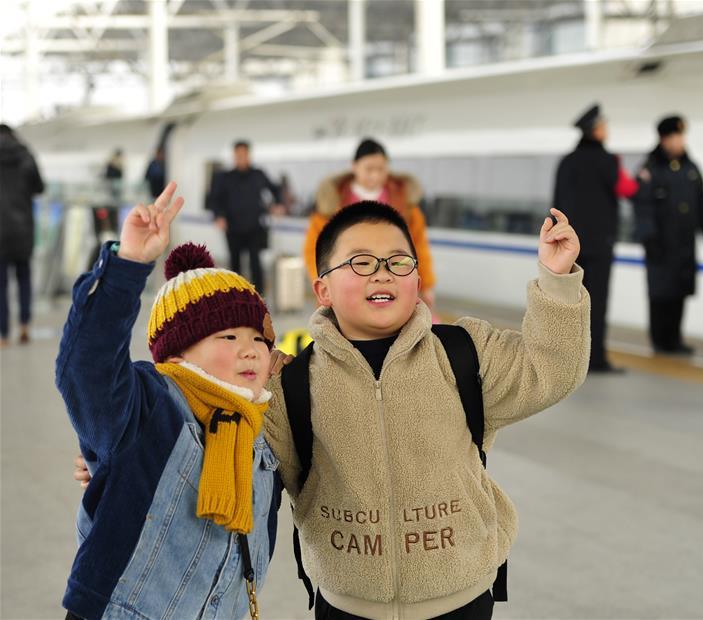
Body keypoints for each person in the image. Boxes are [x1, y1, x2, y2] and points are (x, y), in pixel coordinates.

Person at [264, 201, 590, 618]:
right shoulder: (293, 384)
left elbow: (550, 369)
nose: (382, 272)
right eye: (361, 262)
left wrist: (557, 281)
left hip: (462, 602)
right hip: (345, 607)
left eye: (398, 261)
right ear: (322, 289)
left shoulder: (464, 353)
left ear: (417, 280)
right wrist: (246, 373)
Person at [55, 182, 281, 620]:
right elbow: (88, 368)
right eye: (228, 337)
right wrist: (127, 265)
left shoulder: (262, 430)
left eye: (258, 338)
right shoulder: (148, 408)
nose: (251, 350)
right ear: (177, 355)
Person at [303, 138, 437, 309]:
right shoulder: (331, 203)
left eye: (381, 169)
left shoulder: (405, 204)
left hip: (393, 285)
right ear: (354, 167)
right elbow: (313, 248)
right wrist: (325, 279)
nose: (375, 175)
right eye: (369, 169)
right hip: (346, 287)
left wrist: (426, 285)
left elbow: (419, 246)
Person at [553, 102, 634, 373]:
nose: (606, 129)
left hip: (569, 246)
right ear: (596, 130)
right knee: (595, 303)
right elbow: (627, 189)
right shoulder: (608, 160)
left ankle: (564, 358)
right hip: (600, 245)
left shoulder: (566, 162)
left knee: (567, 300)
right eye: (604, 126)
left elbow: (556, 203)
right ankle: (595, 359)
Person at [634, 115, 703, 354]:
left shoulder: (691, 168)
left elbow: (702, 204)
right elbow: (643, 206)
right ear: (664, 139)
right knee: (660, 293)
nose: (680, 141)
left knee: (679, 291)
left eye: (681, 136)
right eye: (675, 137)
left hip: (684, 243)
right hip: (661, 244)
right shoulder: (650, 169)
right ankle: (660, 341)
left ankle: (675, 339)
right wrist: (648, 238)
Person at [210, 140, 285, 296]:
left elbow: (275, 189)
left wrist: (278, 204)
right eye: (238, 155)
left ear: (248, 155)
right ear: (234, 156)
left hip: (254, 227)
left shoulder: (258, 174)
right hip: (233, 228)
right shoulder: (225, 178)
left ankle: (259, 296)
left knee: (255, 262)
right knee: (235, 263)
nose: (241, 158)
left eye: (244, 154)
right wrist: (219, 216)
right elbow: (215, 200)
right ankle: (236, 295)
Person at [0, 123, 44, 347]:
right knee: (24, 277)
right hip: (23, 227)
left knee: (1, 284)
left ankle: (3, 334)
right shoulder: (25, 155)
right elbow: (39, 187)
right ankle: (24, 325)